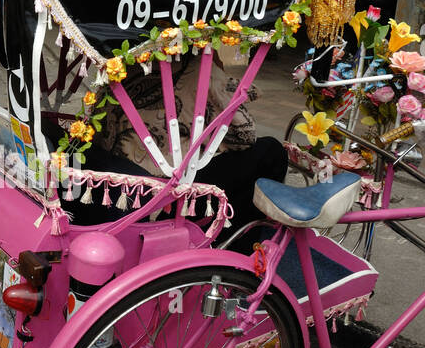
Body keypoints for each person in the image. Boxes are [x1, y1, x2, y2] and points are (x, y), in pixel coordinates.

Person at [60, 53, 287, 233]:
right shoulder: (200, 67)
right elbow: (244, 136)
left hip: (112, 170)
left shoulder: (126, 61)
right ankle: (237, 238)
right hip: (161, 187)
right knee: (270, 151)